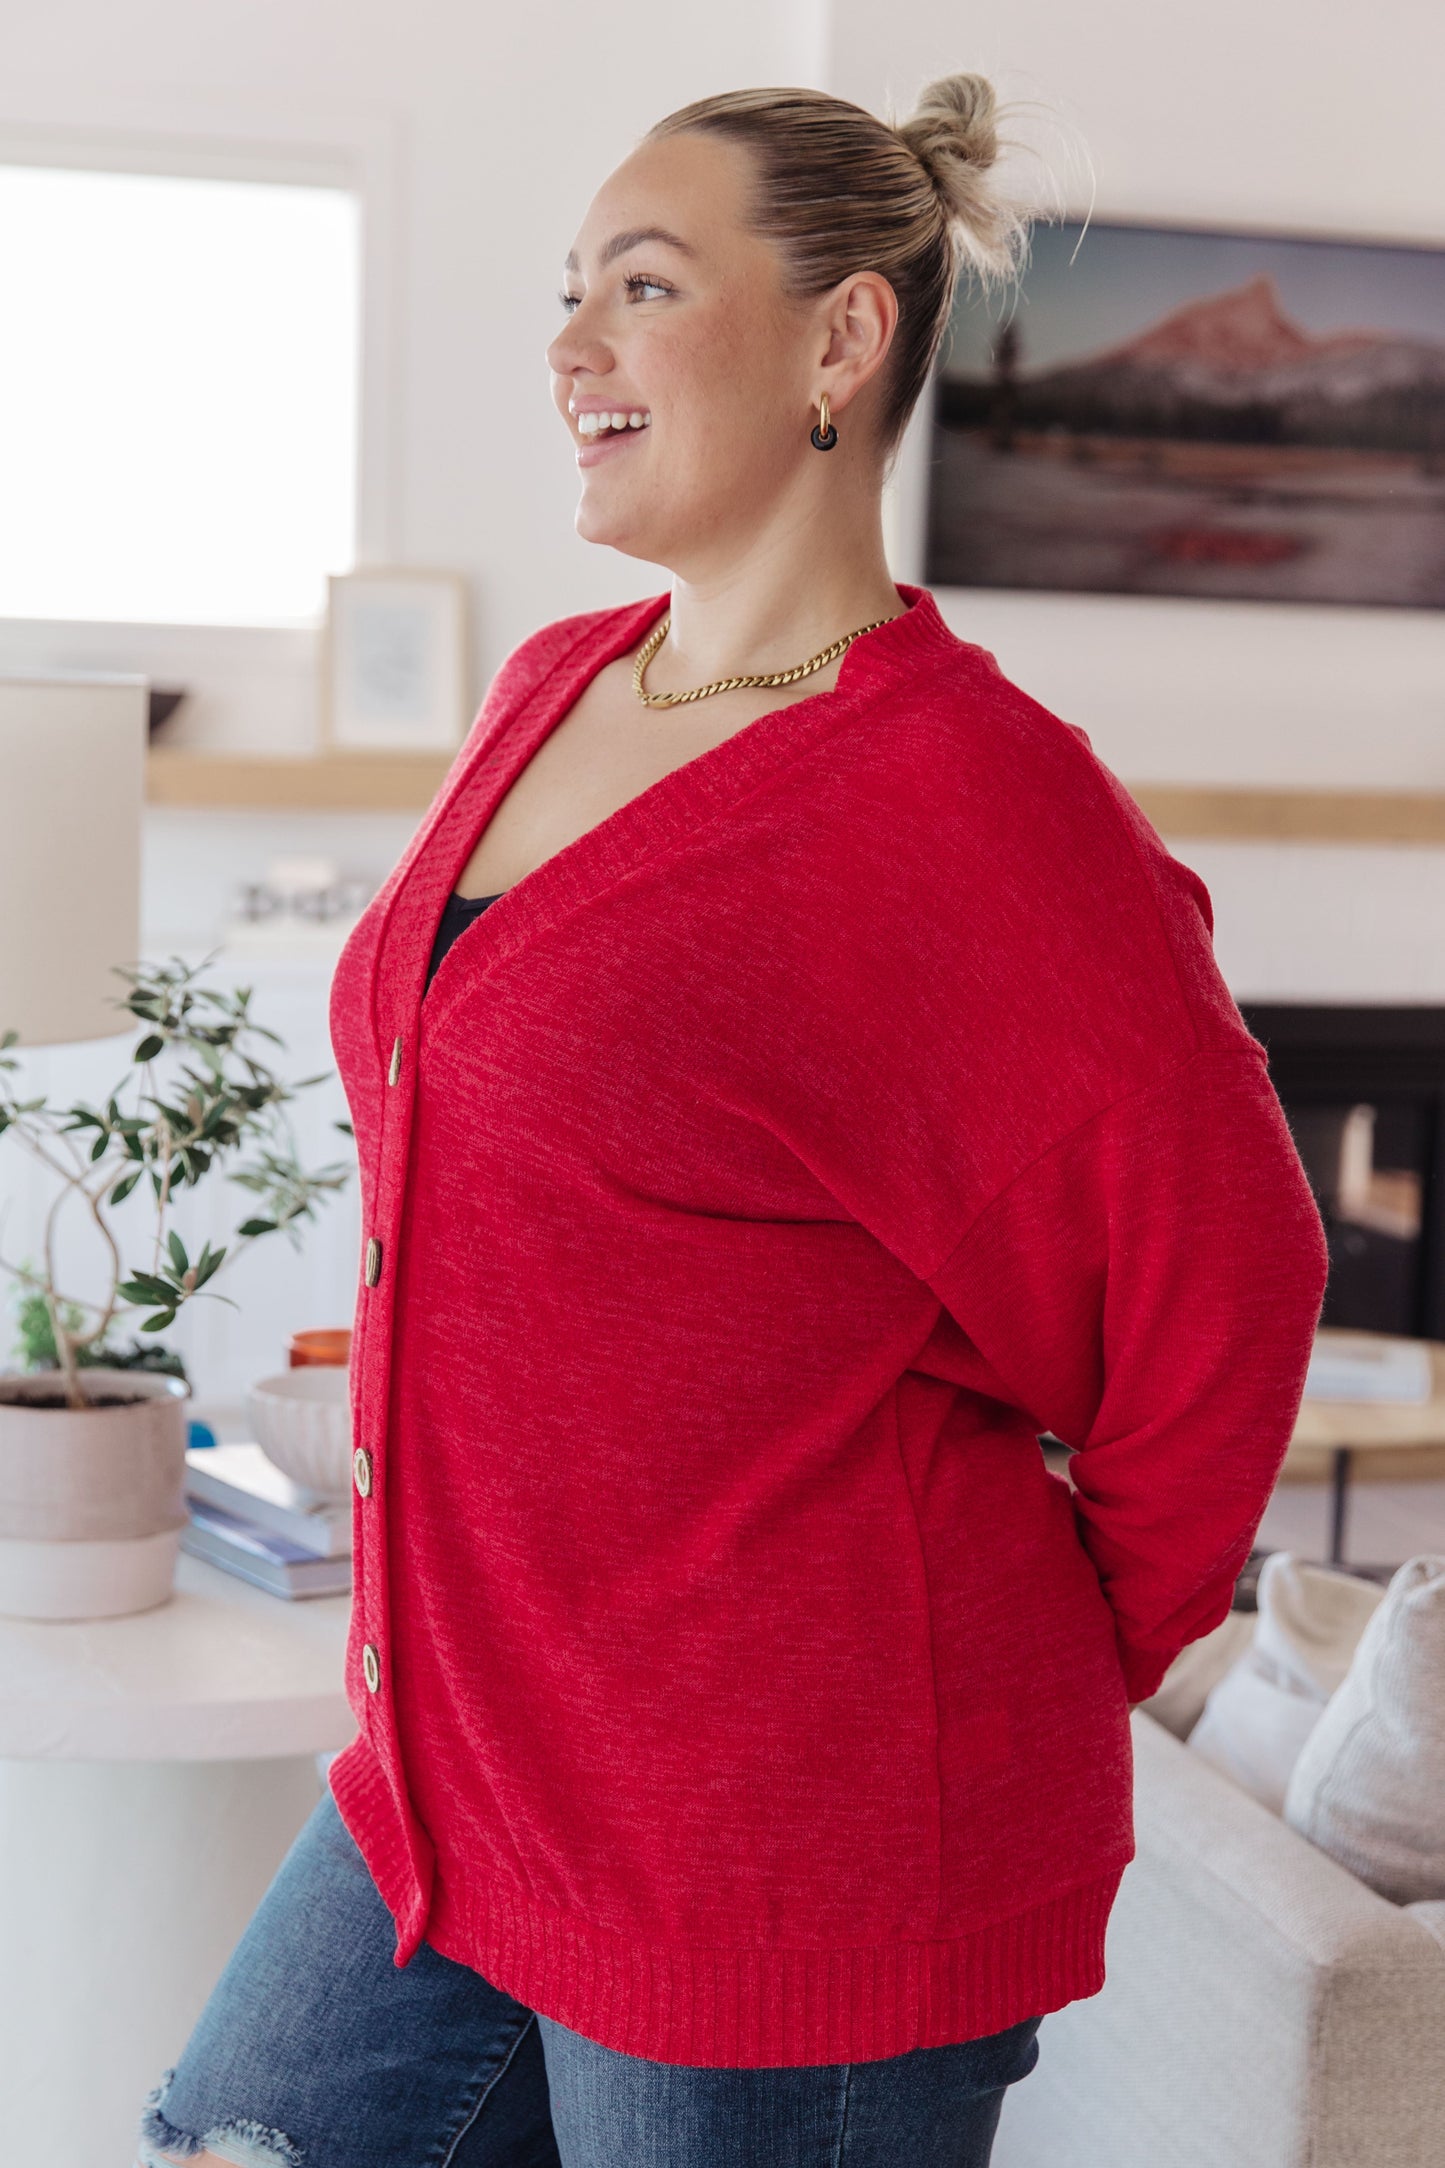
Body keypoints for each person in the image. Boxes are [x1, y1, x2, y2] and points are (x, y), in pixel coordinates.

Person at [136, 74, 1330, 2168]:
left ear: (843, 343)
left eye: (645, 286)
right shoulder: (561, 684)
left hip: (789, 1849)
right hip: (464, 1781)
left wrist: (1062, 1645)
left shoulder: (982, 812)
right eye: (568, 292)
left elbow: (1227, 1272)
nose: (572, 345)